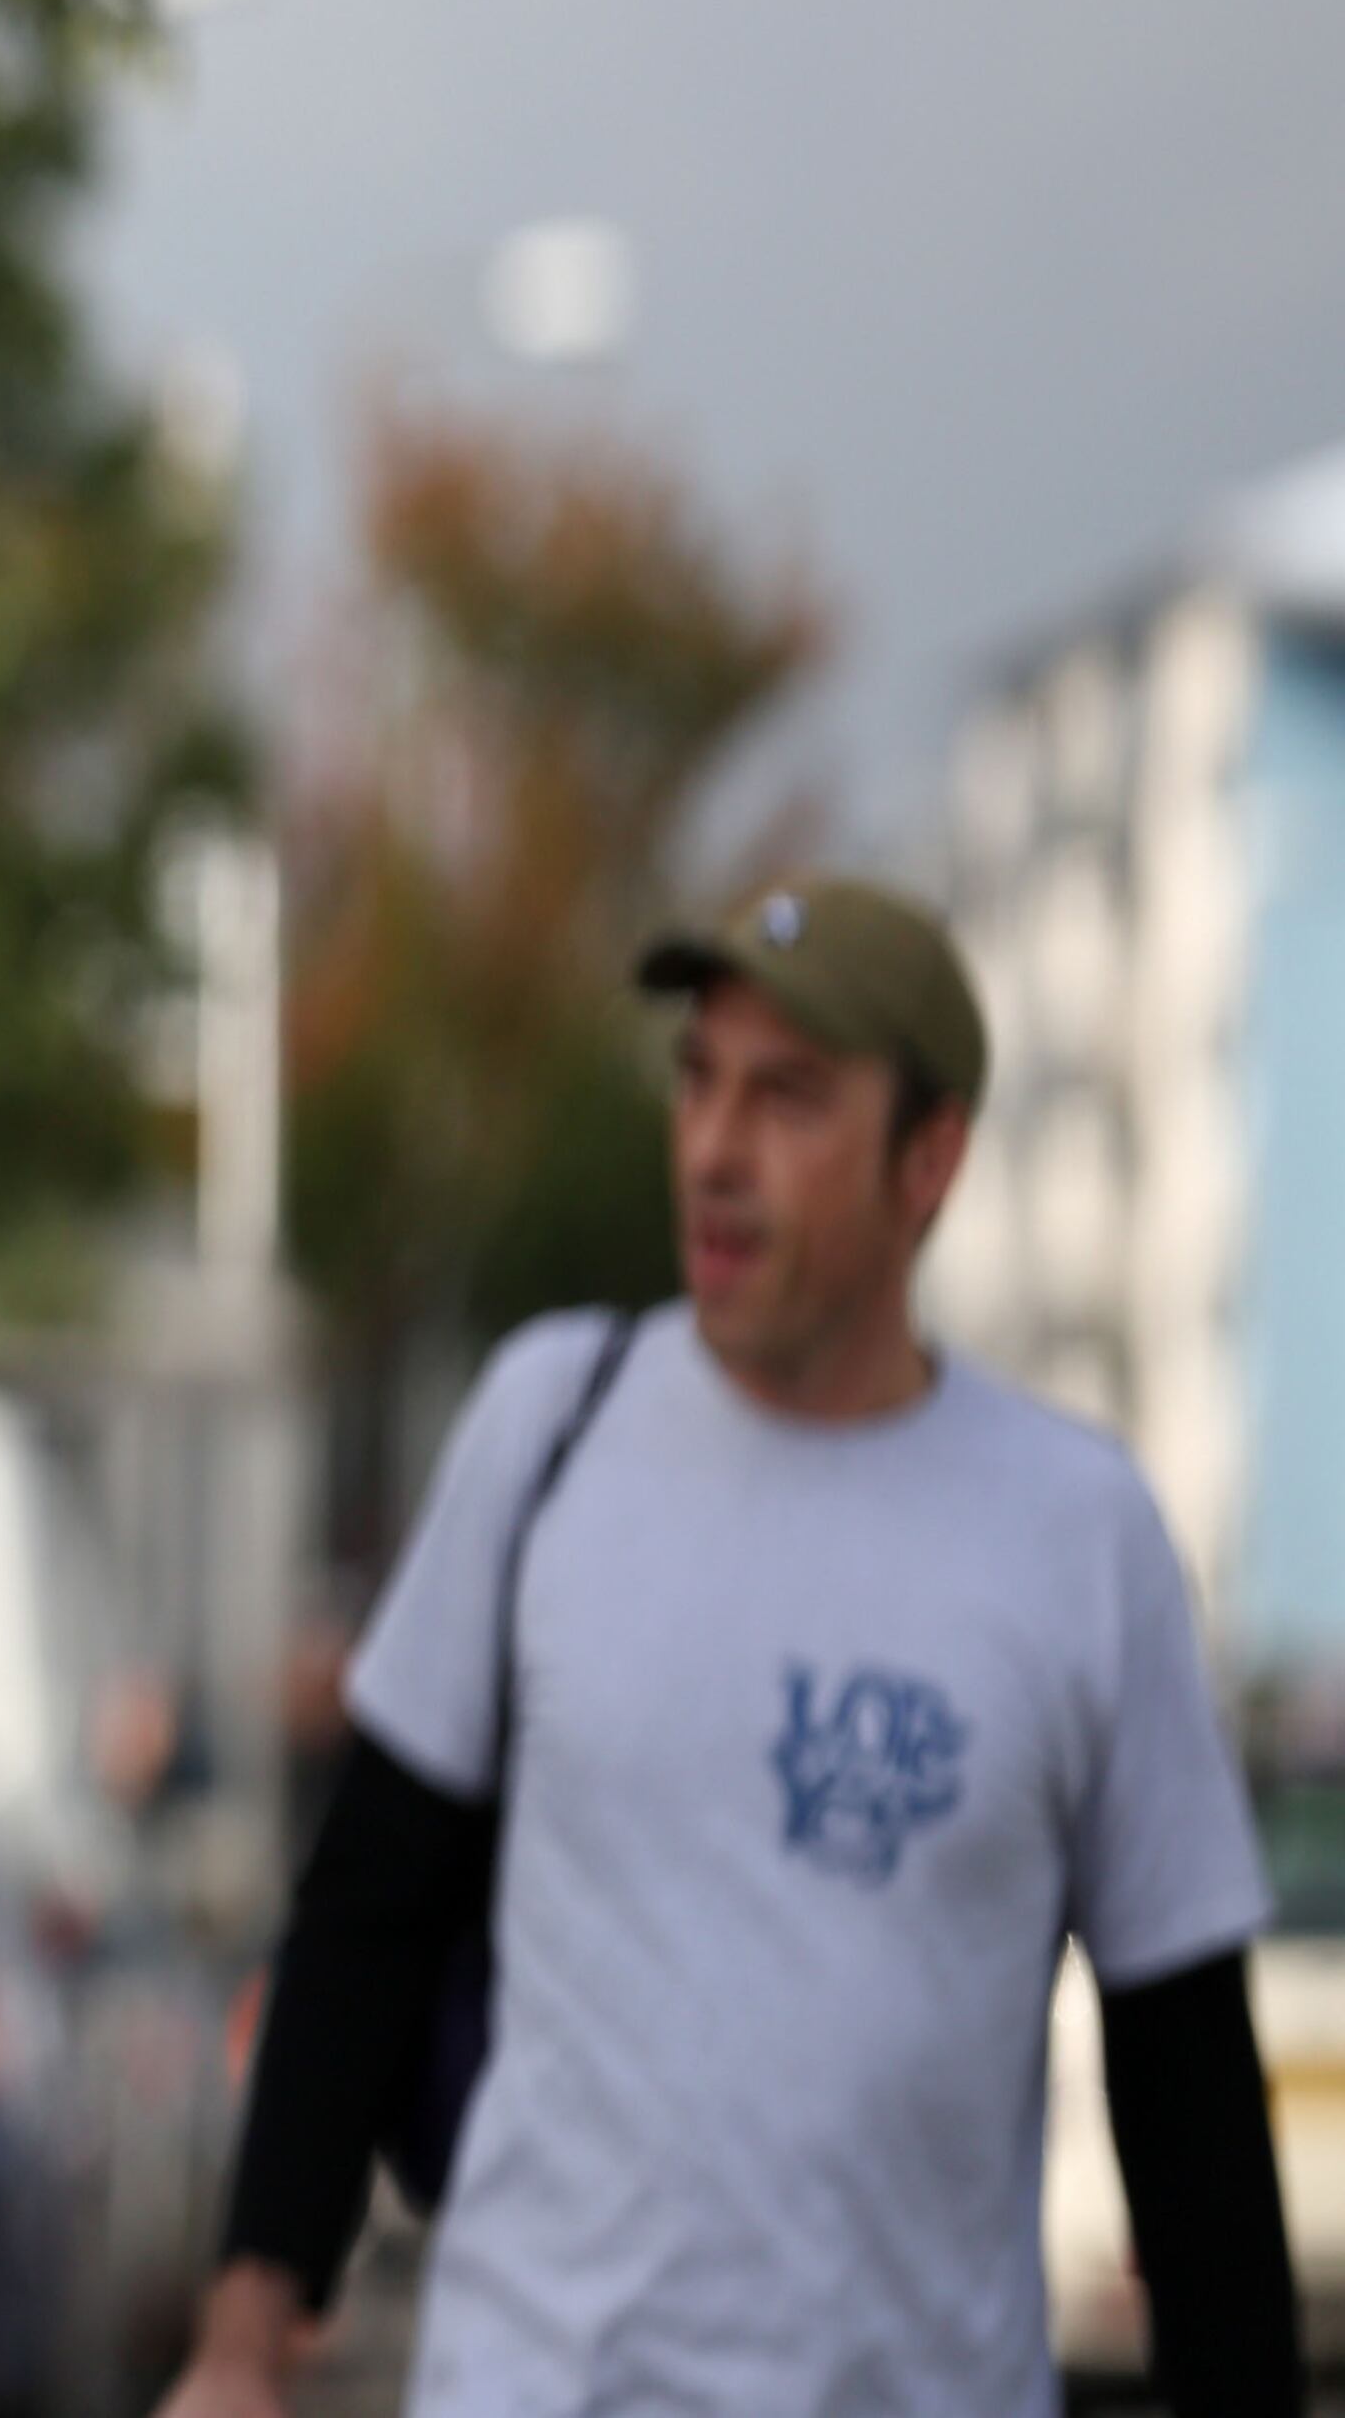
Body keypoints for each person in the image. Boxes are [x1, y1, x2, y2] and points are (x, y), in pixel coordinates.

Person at [161, 875, 1301, 2418]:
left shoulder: (1075, 1531)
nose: (715, 1150)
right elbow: (365, 1911)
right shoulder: (550, 1423)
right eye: (698, 1081)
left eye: (789, 1099)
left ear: (932, 1160)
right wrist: (242, 2341)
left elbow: (1187, 2084)